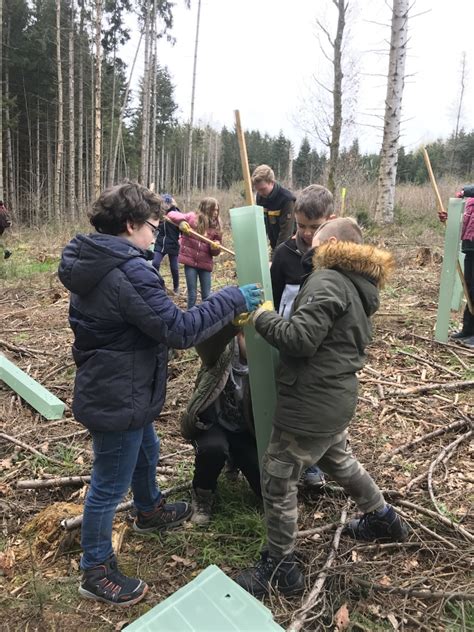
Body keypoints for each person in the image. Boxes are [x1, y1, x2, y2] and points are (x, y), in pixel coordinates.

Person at [58, 182, 262, 607]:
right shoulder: (127, 272)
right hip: (118, 391)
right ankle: (95, 569)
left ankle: (149, 509)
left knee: (147, 447)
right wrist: (229, 298)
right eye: (153, 226)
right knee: (108, 486)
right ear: (130, 225)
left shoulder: (93, 258)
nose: (158, 234)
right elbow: (178, 329)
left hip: (121, 381)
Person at [235, 217, 408, 598]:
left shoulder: (328, 279)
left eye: (317, 238)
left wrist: (261, 315)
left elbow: (299, 340)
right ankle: (384, 519)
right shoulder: (357, 282)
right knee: (342, 463)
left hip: (310, 403)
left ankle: (280, 567)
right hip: (334, 399)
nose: (310, 244)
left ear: (330, 244)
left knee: (278, 481)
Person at [270, 184, 336, 490]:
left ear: (331, 219)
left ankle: (315, 462)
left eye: (315, 227)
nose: (308, 234)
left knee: (317, 403)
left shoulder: (337, 255)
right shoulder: (284, 255)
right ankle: (295, 464)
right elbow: (272, 298)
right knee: (292, 400)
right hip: (290, 339)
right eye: (301, 226)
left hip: (325, 347)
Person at [180, 324, 261, 524]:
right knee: (213, 450)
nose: (256, 349)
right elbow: (203, 341)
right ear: (240, 335)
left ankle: (235, 459)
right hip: (213, 424)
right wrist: (232, 317)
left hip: (244, 430)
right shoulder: (220, 353)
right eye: (250, 341)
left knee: (265, 485)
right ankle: (203, 495)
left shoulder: (265, 366)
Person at [168, 197, 223, 308]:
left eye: (217, 210)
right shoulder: (192, 218)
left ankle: (207, 317)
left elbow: (215, 253)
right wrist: (182, 223)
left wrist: (215, 246)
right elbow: (171, 214)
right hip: (190, 263)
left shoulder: (216, 226)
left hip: (205, 264)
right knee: (192, 294)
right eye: (213, 210)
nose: (215, 213)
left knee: (206, 296)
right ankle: (190, 317)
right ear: (206, 208)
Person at [439, 186, 474, 349]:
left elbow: (469, 190)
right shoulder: (470, 203)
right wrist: (450, 218)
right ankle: (468, 329)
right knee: (470, 289)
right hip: (470, 249)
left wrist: (464, 190)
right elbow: (465, 224)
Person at [251, 164, 296, 256]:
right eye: (257, 190)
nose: (260, 193)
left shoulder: (287, 199)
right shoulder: (260, 197)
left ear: (271, 182)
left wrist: (276, 255)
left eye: (263, 189)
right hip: (274, 244)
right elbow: (262, 224)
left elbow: (286, 232)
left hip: (290, 247)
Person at [152, 193, 181, 294]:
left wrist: (181, 238)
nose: (164, 205)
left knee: (174, 267)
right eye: (162, 203)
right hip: (160, 243)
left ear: (169, 203)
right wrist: (154, 236)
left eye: (166, 203)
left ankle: (176, 287)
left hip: (173, 243)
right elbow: (155, 226)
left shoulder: (176, 214)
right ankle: (158, 284)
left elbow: (182, 228)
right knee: (155, 263)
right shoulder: (159, 214)